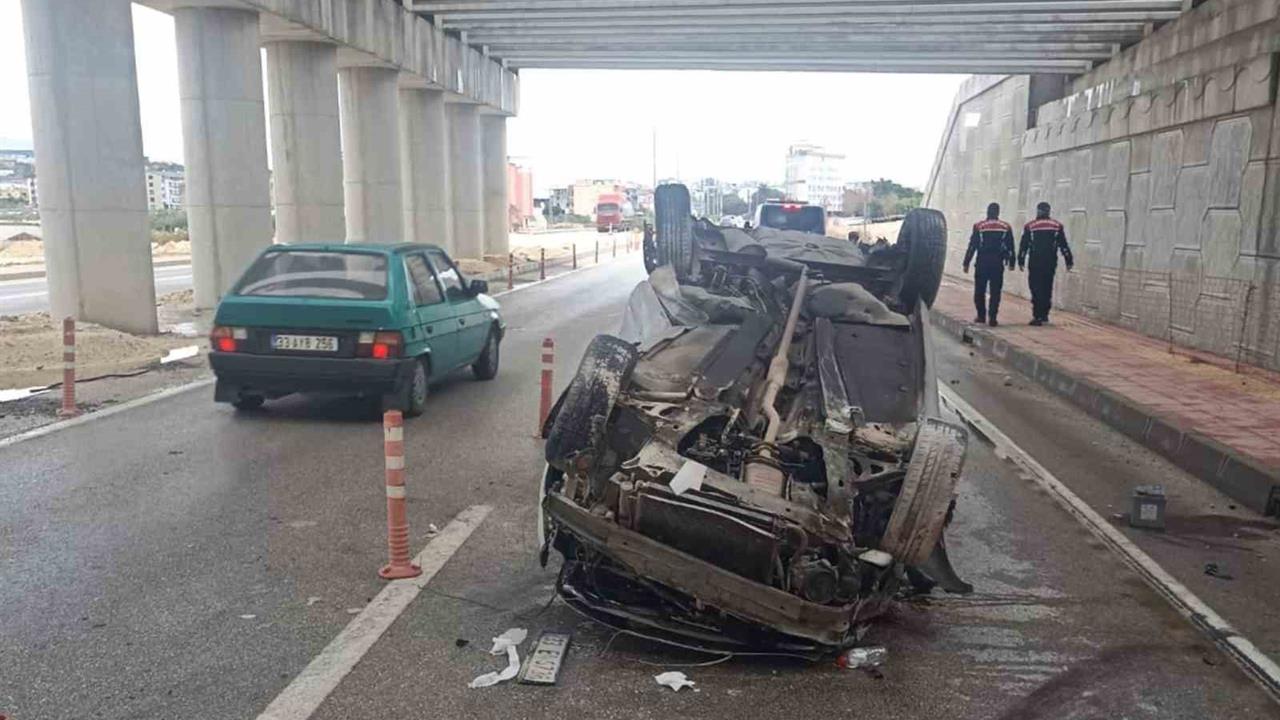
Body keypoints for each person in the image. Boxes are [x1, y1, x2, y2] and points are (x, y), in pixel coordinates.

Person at [1018, 202, 1074, 325]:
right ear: (1048, 211)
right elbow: (1063, 245)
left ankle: (1037, 315)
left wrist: (1020, 260)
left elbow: (1024, 245)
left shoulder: (1030, 226)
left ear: (1038, 211)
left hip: (1035, 262)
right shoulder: (1056, 226)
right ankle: (1044, 315)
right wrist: (1069, 260)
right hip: (1050, 262)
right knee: (1047, 287)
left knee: (1035, 287)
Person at [963, 202, 1015, 326]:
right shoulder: (1005, 227)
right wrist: (1012, 262)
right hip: (997, 263)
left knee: (979, 290)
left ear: (987, 212)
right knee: (995, 291)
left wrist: (966, 262)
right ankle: (993, 317)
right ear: (998, 212)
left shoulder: (979, 226)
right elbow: (1011, 246)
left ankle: (981, 316)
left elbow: (972, 246)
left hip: (982, 262)